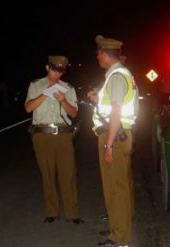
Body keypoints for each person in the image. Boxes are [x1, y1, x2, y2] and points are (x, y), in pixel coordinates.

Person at [87, 35, 139, 247]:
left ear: (105, 55)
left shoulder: (117, 76)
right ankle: (119, 228)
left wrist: (108, 144)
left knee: (115, 189)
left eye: (98, 53)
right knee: (120, 186)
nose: (97, 57)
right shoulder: (118, 75)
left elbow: (116, 110)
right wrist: (98, 98)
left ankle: (120, 237)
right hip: (117, 135)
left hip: (114, 137)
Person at [25, 55, 84, 224]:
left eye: (60, 70)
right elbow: (28, 108)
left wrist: (62, 100)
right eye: (54, 69)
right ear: (47, 67)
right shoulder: (36, 85)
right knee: (47, 175)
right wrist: (46, 94)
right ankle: (51, 212)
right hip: (42, 135)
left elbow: (73, 113)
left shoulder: (68, 88)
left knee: (68, 174)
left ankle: (73, 214)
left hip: (64, 135)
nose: (56, 73)